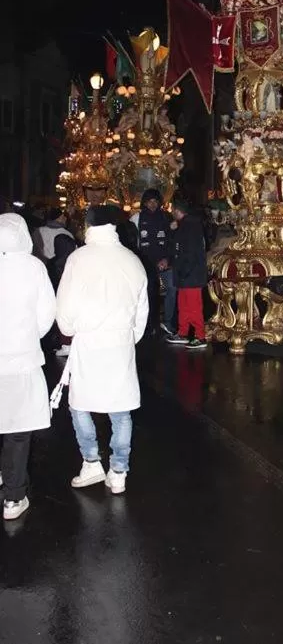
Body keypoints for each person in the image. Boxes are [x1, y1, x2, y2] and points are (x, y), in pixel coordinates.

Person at [56, 205, 149, 494]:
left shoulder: (78, 259)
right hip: (120, 343)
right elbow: (141, 311)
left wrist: (69, 329)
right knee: (120, 412)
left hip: (89, 343)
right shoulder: (132, 260)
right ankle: (119, 471)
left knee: (80, 405)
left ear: (89, 226)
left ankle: (91, 462)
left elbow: (66, 311)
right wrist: (129, 336)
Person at [0, 213, 56, 520]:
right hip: (21, 358)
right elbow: (47, 312)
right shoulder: (34, 267)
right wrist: (29, 336)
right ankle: (13, 497)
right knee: (18, 430)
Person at [131, 188, 177, 335]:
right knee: (147, 293)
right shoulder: (136, 219)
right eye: (149, 201)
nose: (152, 204)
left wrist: (167, 259)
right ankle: (148, 324)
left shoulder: (167, 217)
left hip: (165, 262)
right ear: (144, 203)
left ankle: (168, 322)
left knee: (172, 288)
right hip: (145, 264)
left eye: (155, 201)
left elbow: (173, 241)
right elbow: (133, 243)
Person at [167, 196, 208, 349]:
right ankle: (183, 333)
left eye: (172, 210)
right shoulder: (184, 225)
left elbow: (190, 253)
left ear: (177, 211)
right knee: (183, 305)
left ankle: (200, 336)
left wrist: (183, 271)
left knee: (194, 306)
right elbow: (178, 248)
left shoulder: (190, 226)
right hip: (185, 274)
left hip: (191, 275)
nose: (171, 212)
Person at [48, 232, 78, 357]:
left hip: (57, 299)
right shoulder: (75, 261)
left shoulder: (51, 263)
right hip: (73, 298)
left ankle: (65, 344)